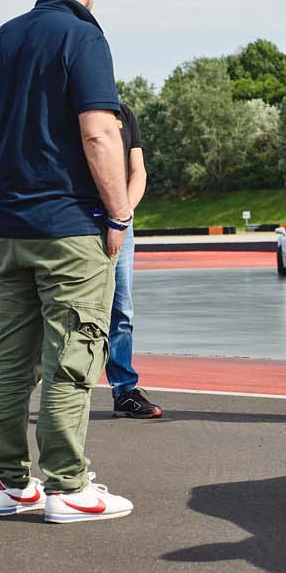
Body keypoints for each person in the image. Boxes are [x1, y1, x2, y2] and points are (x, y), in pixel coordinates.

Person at [0, 0, 134, 523]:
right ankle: (67, 486)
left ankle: (8, 482)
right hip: (68, 224)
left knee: (9, 358)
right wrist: (118, 214)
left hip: (7, 224)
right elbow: (98, 132)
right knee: (72, 353)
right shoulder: (84, 37)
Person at [107, 102, 162, 419]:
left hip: (122, 223)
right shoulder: (68, 109)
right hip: (77, 222)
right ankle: (59, 394)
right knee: (68, 310)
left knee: (121, 309)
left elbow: (138, 170)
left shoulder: (124, 114)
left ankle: (124, 391)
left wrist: (122, 215)